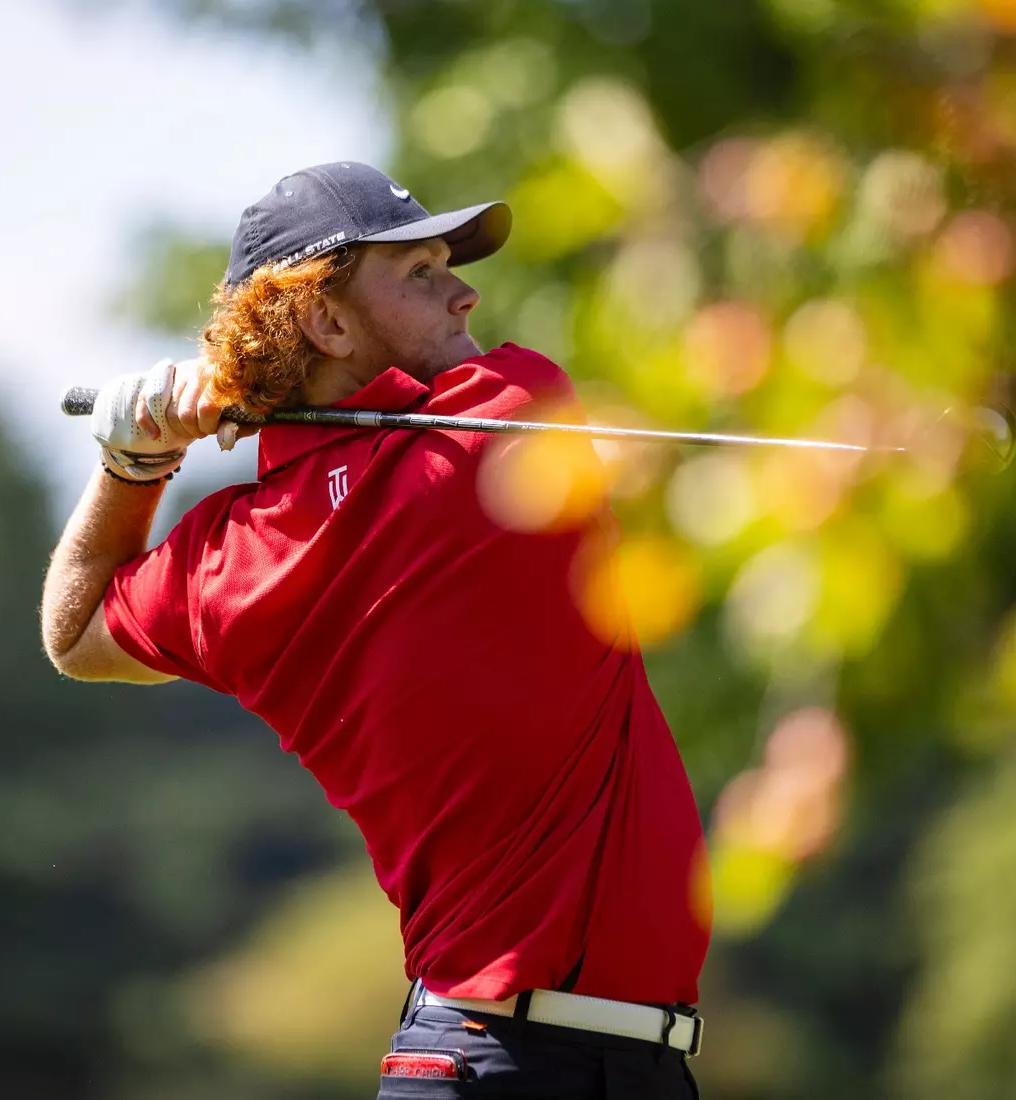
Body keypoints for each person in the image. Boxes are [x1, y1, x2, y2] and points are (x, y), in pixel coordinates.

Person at [40, 161, 710, 1099]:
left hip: (497, 1061)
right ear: (326, 319)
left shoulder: (231, 557)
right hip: (506, 1060)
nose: (464, 291)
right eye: (422, 273)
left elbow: (72, 632)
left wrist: (134, 461)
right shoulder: (507, 417)